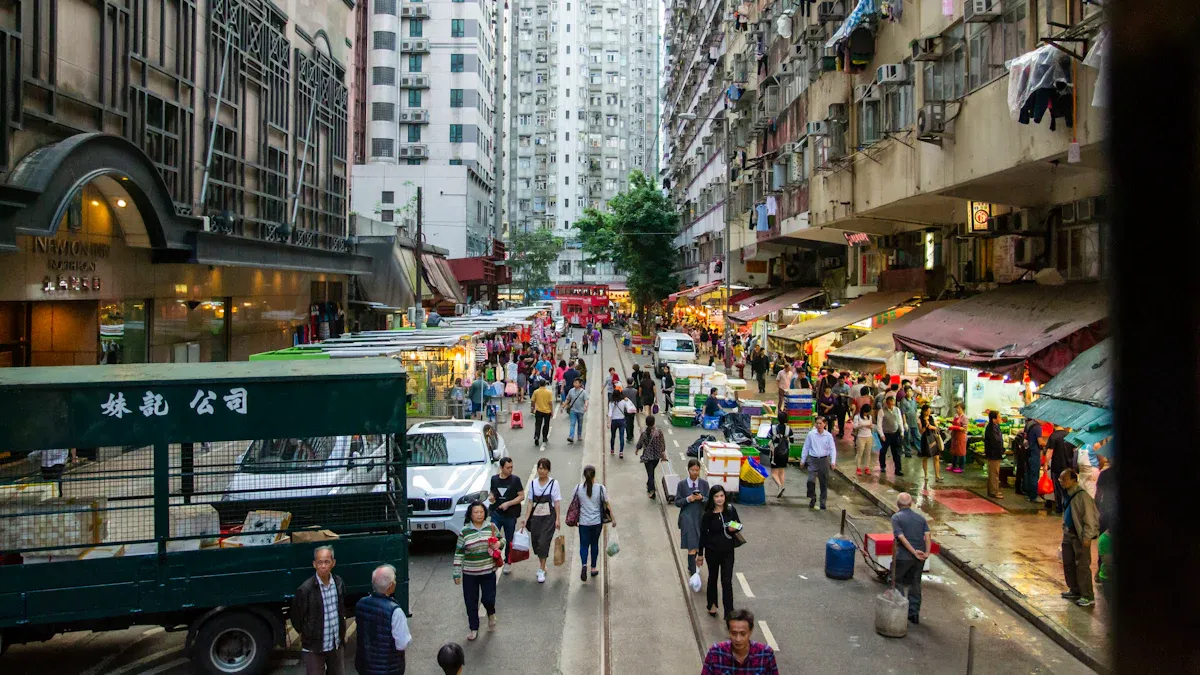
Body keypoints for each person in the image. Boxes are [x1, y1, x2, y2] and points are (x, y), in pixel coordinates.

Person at [290, 546, 348, 675]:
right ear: (314, 564)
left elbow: (341, 608)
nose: (323, 566)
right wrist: (307, 635)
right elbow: (296, 617)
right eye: (320, 562)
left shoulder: (338, 583)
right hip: (314, 648)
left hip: (335, 645)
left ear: (333, 563)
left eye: (326, 562)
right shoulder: (305, 589)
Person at [452, 502, 503, 641]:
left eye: (481, 512)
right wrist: (456, 572)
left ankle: (491, 614)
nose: (479, 515)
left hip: (488, 571)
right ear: (470, 514)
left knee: (488, 599)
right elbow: (459, 553)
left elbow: (501, 540)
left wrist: (499, 544)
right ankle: (474, 628)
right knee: (470, 602)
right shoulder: (465, 531)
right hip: (470, 573)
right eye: (476, 512)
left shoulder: (491, 527)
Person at [354, 564, 412, 675]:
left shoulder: (361, 603)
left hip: (364, 667)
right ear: (391, 586)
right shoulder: (395, 611)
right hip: (388, 669)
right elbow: (402, 644)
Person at [698, 485, 742, 619]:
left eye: (722, 496)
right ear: (712, 498)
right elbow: (703, 535)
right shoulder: (708, 515)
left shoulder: (730, 510)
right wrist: (700, 554)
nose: (719, 499)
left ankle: (729, 613)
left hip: (728, 552)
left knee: (727, 581)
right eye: (716, 496)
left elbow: (738, 524)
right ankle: (712, 604)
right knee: (713, 578)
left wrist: (733, 528)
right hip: (712, 552)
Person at [1059, 468, 1100, 607]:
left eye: (1064, 479)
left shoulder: (1082, 496)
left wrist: (1087, 537)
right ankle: (1074, 589)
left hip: (1080, 536)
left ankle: (1087, 595)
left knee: (1082, 566)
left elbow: (1089, 518)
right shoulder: (1066, 494)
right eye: (1060, 479)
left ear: (1073, 480)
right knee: (1068, 563)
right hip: (1068, 533)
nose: (1061, 482)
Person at [892, 493, 931, 625]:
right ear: (911, 503)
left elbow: (901, 537)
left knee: (897, 580)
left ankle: (901, 609)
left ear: (898, 504)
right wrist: (926, 552)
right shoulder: (920, 518)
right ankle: (914, 613)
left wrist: (913, 552)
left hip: (904, 555)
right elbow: (928, 535)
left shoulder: (896, 517)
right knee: (915, 582)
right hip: (920, 556)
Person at [701, 609, 779, 675]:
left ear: (750, 631)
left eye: (743, 634)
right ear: (729, 631)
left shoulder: (765, 654)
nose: (738, 639)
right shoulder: (715, 652)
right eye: (734, 633)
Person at [571, 465, 616, 581]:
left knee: (584, 545)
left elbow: (574, 504)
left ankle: (584, 565)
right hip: (596, 522)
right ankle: (593, 568)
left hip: (583, 522)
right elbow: (607, 504)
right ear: (594, 476)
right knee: (595, 544)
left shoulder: (577, 488)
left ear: (584, 476)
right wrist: (613, 518)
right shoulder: (601, 488)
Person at [520, 458, 561, 584]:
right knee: (536, 543)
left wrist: (558, 519)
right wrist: (526, 519)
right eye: (540, 468)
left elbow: (557, 502)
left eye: (544, 468)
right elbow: (530, 503)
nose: (541, 471)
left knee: (544, 542)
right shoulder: (533, 484)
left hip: (549, 518)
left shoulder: (554, 483)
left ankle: (541, 569)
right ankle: (542, 562)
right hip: (536, 518)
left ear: (548, 470)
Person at [488, 457, 524, 574]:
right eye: (508, 468)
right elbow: (492, 492)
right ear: (501, 468)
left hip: (511, 515)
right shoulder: (494, 480)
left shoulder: (515, 480)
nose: (510, 470)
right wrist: (491, 497)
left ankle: (508, 561)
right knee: (493, 538)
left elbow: (521, 496)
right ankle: (494, 559)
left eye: (511, 467)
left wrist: (508, 503)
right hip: (497, 513)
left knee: (509, 539)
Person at [676, 459, 710, 577]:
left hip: (700, 517)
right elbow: (677, 502)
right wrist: (688, 499)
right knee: (692, 545)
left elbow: (710, 501)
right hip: (687, 518)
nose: (695, 473)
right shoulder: (682, 485)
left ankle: (692, 566)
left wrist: (702, 498)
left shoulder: (704, 485)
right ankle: (693, 570)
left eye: (697, 470)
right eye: (692, 470)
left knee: (698, 544)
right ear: (688, 470)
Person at [800, 416, 837, 510]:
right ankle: (812, 497)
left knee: (823, 482)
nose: (819, 425)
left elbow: (833, 449)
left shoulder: (828, 436)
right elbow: (806, 447)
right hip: (813, 460)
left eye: (821, 423)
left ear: (825, 424)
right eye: (817, 423)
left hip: (824, 460)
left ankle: (823, 501)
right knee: (810, 480)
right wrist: (802, 460)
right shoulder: (811, 434)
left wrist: (833, 461)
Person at [635, 415, 667, 499]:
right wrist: (663, 453)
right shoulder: (659, 432)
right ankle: (649, 485)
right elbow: (662, 444)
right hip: (656, 457)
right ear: (654, 422)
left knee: (650, 474)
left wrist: (637, 450)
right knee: (651, 473)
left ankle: (652, 490)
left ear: (646, 423)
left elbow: (640, 443)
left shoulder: (644, 434)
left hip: (647, 457)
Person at [1046, 425, 1076, 514]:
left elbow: (1049, 451)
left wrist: (1045, 464)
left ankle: (1059, 508)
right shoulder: (1070, 436)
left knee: (1058, 488)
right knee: (1069, 488)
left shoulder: (1053, 436)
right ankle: (1068, 508)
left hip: (1057, 466)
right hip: (1068, 467)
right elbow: (1075, 451)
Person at [876, 396, 906, 477]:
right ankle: (882, 466)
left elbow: (900, 421)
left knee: (896, 452)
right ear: (886, 403)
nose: (891, 405)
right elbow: (879, 424)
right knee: (883, 451)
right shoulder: (881, 411)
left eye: (893, 404)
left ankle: (898, 469)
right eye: (890, 404)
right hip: (886, 434)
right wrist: (881, 435)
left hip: (895, 433)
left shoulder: (897, 410)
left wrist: (902, 431)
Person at [917, 405, 944, 489]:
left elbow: (937, 428)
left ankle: (937, 475)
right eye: (927, 411)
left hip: (933, 439)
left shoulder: (932, 418)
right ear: (924, 411)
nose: (929, 412)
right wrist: (925, 427)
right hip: (925, 440)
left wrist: (931, 427)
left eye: (929, 411)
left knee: (936, 457)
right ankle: (926, 474)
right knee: (925, 457)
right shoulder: (919, 419)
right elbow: (920, 431)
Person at [769, 412, 793, 498]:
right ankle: (781, 487)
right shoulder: (788, 429)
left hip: (775, 452)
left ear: (778, 419)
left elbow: (768, 436)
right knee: (781, 471)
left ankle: (780, 486)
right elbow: (792, 440)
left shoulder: (773, 428)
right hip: (785, 452)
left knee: (774, 473)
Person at [607, 389, 637, 458]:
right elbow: (629, 408)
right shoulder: (623, 402)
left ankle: (612, 449)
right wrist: (627, 399)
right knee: (621, 436)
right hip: (622, 420)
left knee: (613, 436)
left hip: (614, 421)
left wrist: (608, 423)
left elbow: (610, 413)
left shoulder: (611, 403)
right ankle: (621, 452)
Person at [1022, 418, 1045, 502]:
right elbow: (1040, 442)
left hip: (1027, 452)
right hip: (1034, 453)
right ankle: (1034, 496)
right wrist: (1047, 444)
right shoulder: (1037, 427)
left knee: (1028, 473)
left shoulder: (1029, 424)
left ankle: (1028, 493)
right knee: (1034, 475)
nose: (1045, 422)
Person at [983, 410, 1005, 498]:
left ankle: (992, 490)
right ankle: (994, 491)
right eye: (999, 417)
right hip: (993, 453)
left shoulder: (995, 427)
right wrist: (1001, 450)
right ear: (994, 419)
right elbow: (996, 441)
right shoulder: (991, 428)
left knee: (993, 472)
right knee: (994, 473)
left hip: (995, 453)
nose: (1000, 419)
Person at [562, 377, 589, 443]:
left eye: (576, 383)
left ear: (580, 384)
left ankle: (579, 435)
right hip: (573, 410)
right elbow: (568, 399)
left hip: (580, 410)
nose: (575, 384)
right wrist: (563, 406)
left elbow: (586, 400)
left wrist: (585, 406)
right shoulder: (571, 391)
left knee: (580, 424)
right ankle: (571, 436)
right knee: (572, 423)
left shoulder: (583, 392)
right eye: (574, 382)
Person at [853, 403, 875, 476]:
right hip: (861, 437)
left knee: (868, 453)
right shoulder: (857, 417)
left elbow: (871, 426)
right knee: (860, 453)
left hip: (869, 436)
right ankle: (858, 468)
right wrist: (864, 425)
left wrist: (871, 427)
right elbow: (855, 426)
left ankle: (867, 467)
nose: (867, 413)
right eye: (866, 412)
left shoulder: (870, 417)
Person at [530, 378, 554, 447]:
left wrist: (532, 408)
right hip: (547, 411)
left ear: (539, 384)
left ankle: (537, 436)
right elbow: (550, 403)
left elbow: (532, 401)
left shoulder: (536, 392)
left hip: (539, 410)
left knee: (538, 424)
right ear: (545, 384)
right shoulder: (549, 392)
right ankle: (544, 437)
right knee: (546, 425)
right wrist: (552, 412)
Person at [898, 386, 920, 458]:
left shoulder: (914, 400)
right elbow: (903, 413)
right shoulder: (903, 401)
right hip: (907, 422)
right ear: (905, 392)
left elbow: (915, 410)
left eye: (910, 391)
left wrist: (917, 419)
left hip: (914, 421)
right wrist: (904, 423)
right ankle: (908, 452)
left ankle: (920, 450)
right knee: (907, 438)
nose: (909, 393)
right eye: (907, 391)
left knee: (917, 436)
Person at [946, 403, 968, 474]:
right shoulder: (956, 416)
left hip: (961, 436)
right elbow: (955, 422)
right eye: (956, 408)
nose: (957, 409)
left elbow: (964, 428)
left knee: (961, 451)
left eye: (959, 408)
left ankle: (961, 467)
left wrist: (956, 427)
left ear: (962, 409)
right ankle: (954, 465)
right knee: (954, 451)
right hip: (955, 436)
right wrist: (950, 422)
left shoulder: (964, 417)